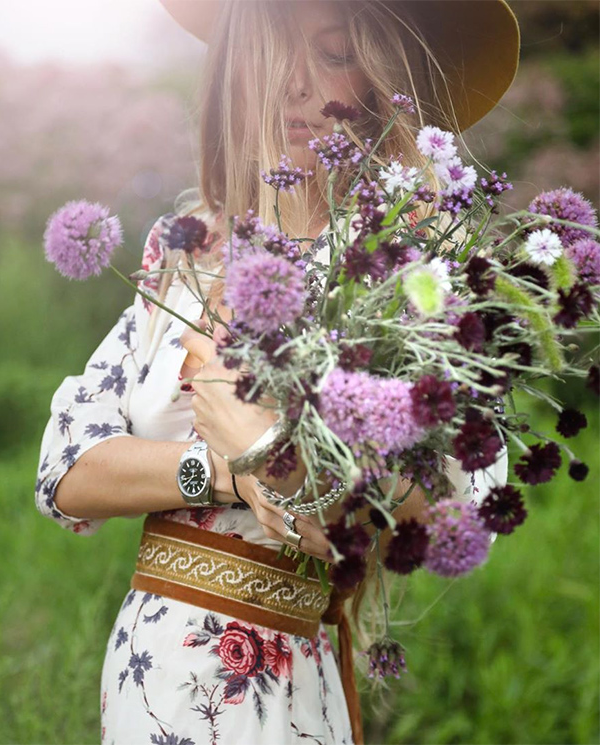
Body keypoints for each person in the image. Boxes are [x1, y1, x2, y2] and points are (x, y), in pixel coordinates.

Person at [34, 1, 518, 743]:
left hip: (290, 670)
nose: (295, 85)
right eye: (274, 53)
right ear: (234, 66)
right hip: (151, 668)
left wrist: (309, 475)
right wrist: (225, 472)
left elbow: (456, 489)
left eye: (332, 55)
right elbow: (66, 470)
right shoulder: (186, 247)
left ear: (380, 80)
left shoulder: (402, 269)